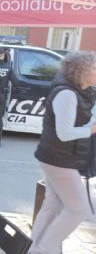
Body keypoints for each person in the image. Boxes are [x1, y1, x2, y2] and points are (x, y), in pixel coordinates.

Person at [29, 52, 96, 254]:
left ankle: (34, 248)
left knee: (52, 206)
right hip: (59, 159)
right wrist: (91, 129)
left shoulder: (83, 91)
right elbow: (64, 133)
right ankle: (47, 247)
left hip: (58, 157)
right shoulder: (66, 94)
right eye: (93, 68)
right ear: (81, 71)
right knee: (78, 209)